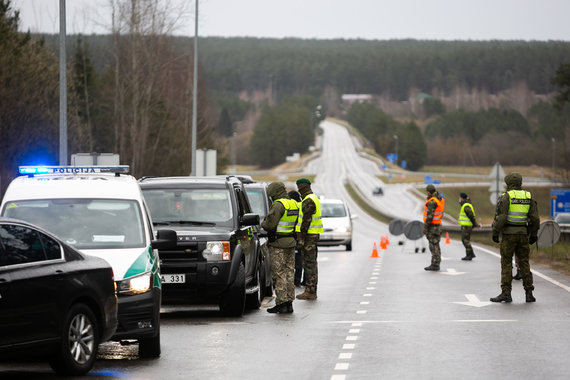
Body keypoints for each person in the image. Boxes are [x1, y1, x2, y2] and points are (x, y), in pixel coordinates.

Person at [490, 172, 539, 303]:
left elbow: (502, 217)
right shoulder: (528, 196)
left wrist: (495, 232)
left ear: (508, 183)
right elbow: (535, 218)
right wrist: (534, 234)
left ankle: (506, 293)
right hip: (523, 234)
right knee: (524, 262)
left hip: (509, 235)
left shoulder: (507, 197)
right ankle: (529, 293)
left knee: (506, 263)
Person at [261, 182, 299, 313]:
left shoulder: (278, 205)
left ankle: (281, 303)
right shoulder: (293, 203)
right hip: (291, 242)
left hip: (279, 244)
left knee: (279, 274)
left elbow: (270, 225)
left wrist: (263, 222)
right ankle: (289, 303)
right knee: (289, 273)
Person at [295, 178, 323, 300]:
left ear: (301, 188)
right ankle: (310, 290)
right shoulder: (313, 198)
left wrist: (300, 241)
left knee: (309, 264)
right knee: (311, 264)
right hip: (312, 236)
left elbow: (305, 223)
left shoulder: (308, 201)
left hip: (308, 237)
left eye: (299, 187)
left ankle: (310, 291)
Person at [423, 184, 445, 271]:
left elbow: (429, 217)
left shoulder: (432, 202)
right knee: (436, 244)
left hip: (432, 226)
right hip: (438, 225)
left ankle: (435, 264)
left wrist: (425, 227)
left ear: (428, 192)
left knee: (433, 245)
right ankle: (435, 263)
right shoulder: (440, 199)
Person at [288, 190, 304, 286]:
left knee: (297, 261)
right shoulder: (302, 205)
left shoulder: (294, 206)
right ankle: (301, 281)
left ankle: (296, 281)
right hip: (304, 236)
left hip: (295, 236)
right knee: (301, 261)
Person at [458, 192, 480, 261]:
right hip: (466, 225)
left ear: (461, 198)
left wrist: (474, 224)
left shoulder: (466, 205)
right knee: (466, 240)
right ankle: (469, 254)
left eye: (459, 198)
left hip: (467, 226)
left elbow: (470, 215)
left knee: (465, 240)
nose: (459, 199)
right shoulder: (465, 204)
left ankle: (470, 254)